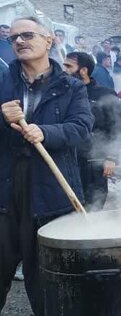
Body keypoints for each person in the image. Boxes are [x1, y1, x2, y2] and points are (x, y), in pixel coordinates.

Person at [0, 16, 94, 314]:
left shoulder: (70, 87)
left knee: (45, 283)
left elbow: (81, 128)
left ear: (49, 40)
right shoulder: (3, 81)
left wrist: (46, 132)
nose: (19, 41)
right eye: (13, 37)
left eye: (27, 35)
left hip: (49, 193)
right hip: (5, 190)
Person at [63, 51, 121, 211]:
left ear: (83, 70)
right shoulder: (63, 94)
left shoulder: (105, 94)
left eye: (69, 66)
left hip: (95, 159)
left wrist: (111, 157)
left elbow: (115, 127)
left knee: (93, 206)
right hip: (69, 160)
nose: (64, 69)